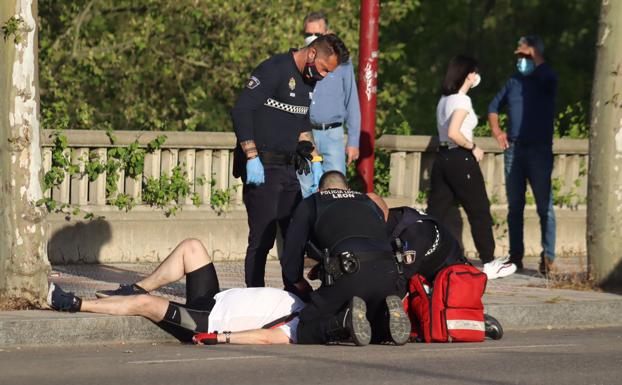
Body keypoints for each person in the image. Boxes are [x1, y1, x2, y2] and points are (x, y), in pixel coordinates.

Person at [230, 34, 349, 287]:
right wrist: (251, 156)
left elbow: (301, 121)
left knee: (295, 230)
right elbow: (241, 110)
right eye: (324, 70)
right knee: (263, 236)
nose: (324, 76)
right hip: (262, 166)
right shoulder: (273, 69)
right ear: (313, 54)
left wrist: (312, 154)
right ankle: (255, 292)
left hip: (288, 167)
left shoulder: (309, 80)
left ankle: (293, 285)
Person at [49, 238, 306, 345]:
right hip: (214, 300)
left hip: (207, 322)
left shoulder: (303, 323)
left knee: (146, 304)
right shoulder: (306, 299)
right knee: (192, 247)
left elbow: (267, 339)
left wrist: (219, 338)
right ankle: (133, 288)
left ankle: (73, 303)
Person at [280, 170, 410, 346]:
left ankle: (343, 322)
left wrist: (297, 281)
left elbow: (291, 253)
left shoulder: (312, 203)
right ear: (347, 188)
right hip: (389, 273)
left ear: (319, 190)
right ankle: (385, 323)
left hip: (349, 271)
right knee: (365, 319)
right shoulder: (368, 201)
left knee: (304, 328)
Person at [427, 54, 516, 280]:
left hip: (443, 158)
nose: (477, 76)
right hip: (460, 158)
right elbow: (454, 132)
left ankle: (424, 256)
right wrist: (473, 147)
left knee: (436, 212)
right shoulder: (462, 101)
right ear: (468, 75)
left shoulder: (443, 100)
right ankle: (488, 262)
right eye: (475, 72)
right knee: (479, 211)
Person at [487, 36, 557, 275]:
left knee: (544, 207)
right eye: (519, 56)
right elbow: (493, 107)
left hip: (539, 150)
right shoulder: (513, 81)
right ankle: (516, 256)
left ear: (535, 55)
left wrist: (534, 52)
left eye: (525, 56)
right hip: (514, 149)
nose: (521, 60)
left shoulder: (547, 77)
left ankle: (548, 257)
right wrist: (497, 131)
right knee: (515, 206)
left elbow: (548, 76)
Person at [297, 12, 361, 198]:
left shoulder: (342, 63)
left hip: (333, 134)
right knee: (307, 188)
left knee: (337, 188)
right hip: (306, 133)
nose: (312, 38)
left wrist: (354, 142)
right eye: (308, 34)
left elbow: (352, 101)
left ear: (328, 32)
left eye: (317, 34)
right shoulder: (301, 59)